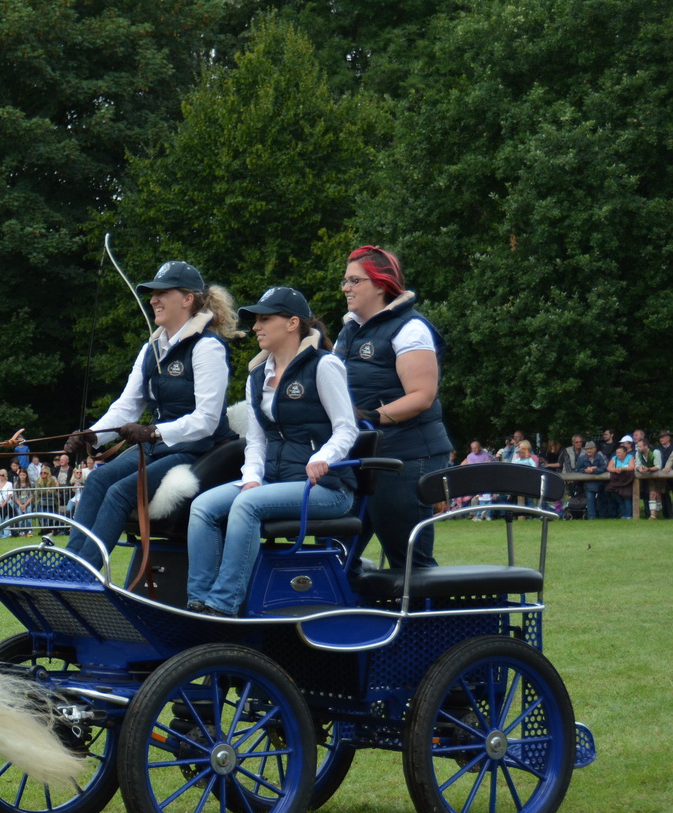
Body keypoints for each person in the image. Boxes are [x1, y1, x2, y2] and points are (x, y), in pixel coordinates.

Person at [185, 287, 357, 617]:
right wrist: (251, 477)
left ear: (292, 323)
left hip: (328, 489)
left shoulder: (324, 365)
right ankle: (198, 601)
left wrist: (322, 458)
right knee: (203, 506)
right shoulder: (257, 375)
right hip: (275, 482)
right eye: (256, 320)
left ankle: (223, 605)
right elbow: (258, 441)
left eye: (265, 319)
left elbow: (346, 428)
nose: (255, 327)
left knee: (247, 505)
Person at [67, 260, 240, 563]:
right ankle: (68, 563)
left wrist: (152, 431)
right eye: (152, 294)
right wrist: (91, 437)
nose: (153, 300)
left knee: (121, 492)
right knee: (96, 481)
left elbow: (208, 419)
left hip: (200, 450)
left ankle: (85, 571)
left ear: (188, 299)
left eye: (163, 292)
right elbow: (127, 405)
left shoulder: (207, 347)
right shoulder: (151, 349)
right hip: (159, 446)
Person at [334, 245, 453, 571]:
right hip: (360, 456)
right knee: (335, 556)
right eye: (345, 281)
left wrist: (371, 417)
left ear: (381, 284)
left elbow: (422, 395)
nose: (346, 288)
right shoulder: (349, 329)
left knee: (408, 559)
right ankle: (358, 618)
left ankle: (432, 620)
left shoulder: (410, 328)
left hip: (407, 455)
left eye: (354, 281)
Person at [604, 435, 638, 519]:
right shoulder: (614, 458)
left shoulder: (630, 457)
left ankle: (629, 515)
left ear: (625, 453)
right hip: (616, 481)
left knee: (627, 498)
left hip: (627, 481)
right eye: (617, 452)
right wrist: (616, 470)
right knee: (619, 499)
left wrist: (622, 468)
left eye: (619, 453)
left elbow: (632, 467)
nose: (618, 454)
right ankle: (623, 515)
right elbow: (609, 468)